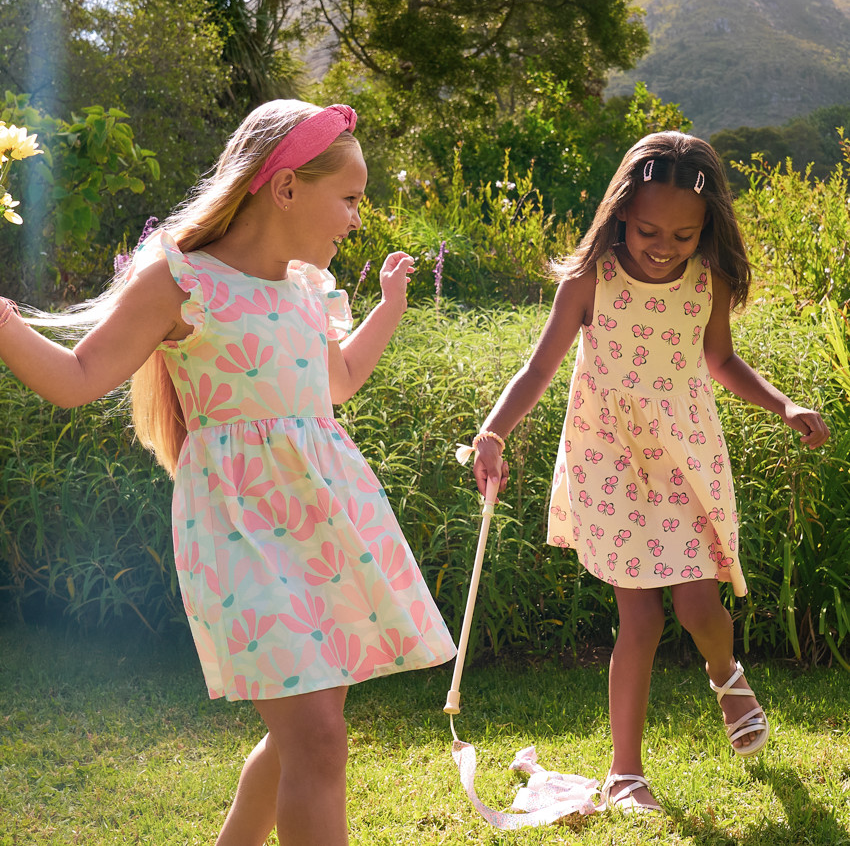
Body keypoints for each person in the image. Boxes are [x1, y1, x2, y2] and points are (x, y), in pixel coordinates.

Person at [0, 100, 457, 844]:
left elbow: (336, 381)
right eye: (347, 199)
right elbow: (79, 377)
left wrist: (391, 308)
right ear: (284, 189)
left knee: (301, 738)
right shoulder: (183, 282)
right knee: (315, 738)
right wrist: (8, 328)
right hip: (243, 531)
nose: (354, 219)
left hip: (329, 520)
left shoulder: (307, 290)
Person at [469, 132, 830, 813]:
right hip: (607, 457)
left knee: (698, 605)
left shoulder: (708, 279)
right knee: (638, 619)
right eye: (647, 230)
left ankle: (726, 676)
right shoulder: (590, 277)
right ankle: (625, 773)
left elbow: (720, 360)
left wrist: (783, 404)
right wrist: (493, 431)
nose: (663, 245)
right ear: (621, 213)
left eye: (684, 234)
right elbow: (541, 367)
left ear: (706, 229)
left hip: (684, 450)